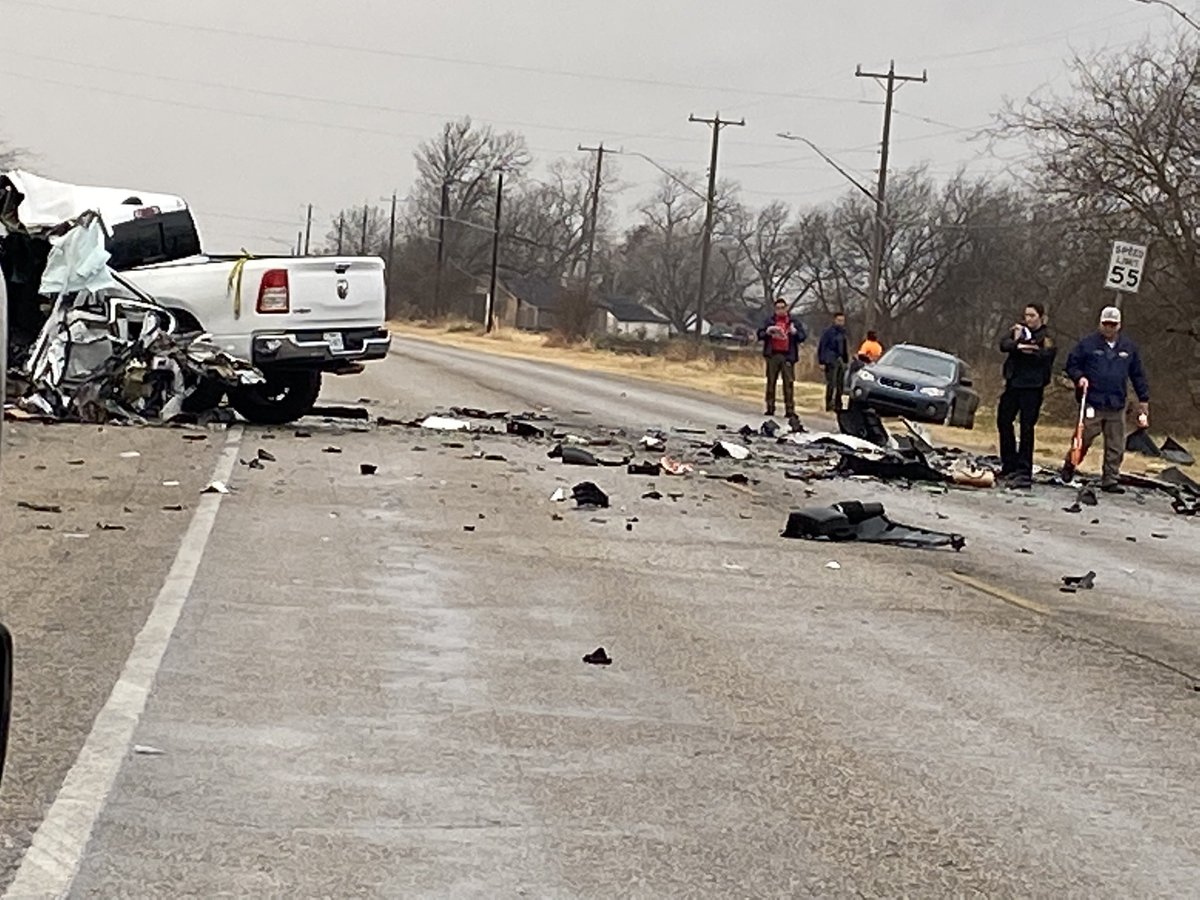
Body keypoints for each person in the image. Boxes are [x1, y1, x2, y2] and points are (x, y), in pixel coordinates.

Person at [1061, 305, 1150, 493]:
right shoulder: (1088, 344)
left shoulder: (1128, 348)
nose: (1109, 328)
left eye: (1113, 324)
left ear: (1119, 326)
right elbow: (1072, 364)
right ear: (1100, 323)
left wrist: (1143, 399)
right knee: (1083, 438)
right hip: (1093, 400)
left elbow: (1137, 374)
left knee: (1116, 443)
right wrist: (1079, 377)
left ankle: (1110, 478)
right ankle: (1070, 465)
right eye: (1106, 324)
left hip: (1117, 403)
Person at [996, 303, 1056, 489]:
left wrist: (1029, 348)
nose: (1028, 319)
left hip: (1033, 387)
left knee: (1026, 427)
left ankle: (1024, 468)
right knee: (1003, 420)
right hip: (1013, 383)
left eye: (1032, 315)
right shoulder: (1017, 331)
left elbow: (1045, 354)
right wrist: (1017, 343)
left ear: (1041, 317)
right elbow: (1003, 345)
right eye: (1026, 315)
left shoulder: (1046, 337)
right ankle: (1009, 463)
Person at [756, 297, 806, 418]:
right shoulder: (770, 321)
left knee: (788, 383)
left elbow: (803, 336)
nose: (780, 310)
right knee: (771, 382)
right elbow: (759, 334)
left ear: (786, 308)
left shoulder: (793, 322)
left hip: (788, 356)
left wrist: (795, 332)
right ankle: (770, 407)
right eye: (777, 308)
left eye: (782, 308)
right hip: (773, 354)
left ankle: (789, 409)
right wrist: (767, 332)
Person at [817, 311, 849, 412]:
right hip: (830, 359)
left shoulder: (843, 333)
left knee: (840, 384)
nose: (841, 322)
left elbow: (844, 347)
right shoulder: (828, 332)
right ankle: (829, 403)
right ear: (834, 320)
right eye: (839, 320)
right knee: (831, 383)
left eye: (842, 320)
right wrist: (821, 361)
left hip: (840, 360)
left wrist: (846, 360)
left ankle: (838, 404)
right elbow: (822, 346)